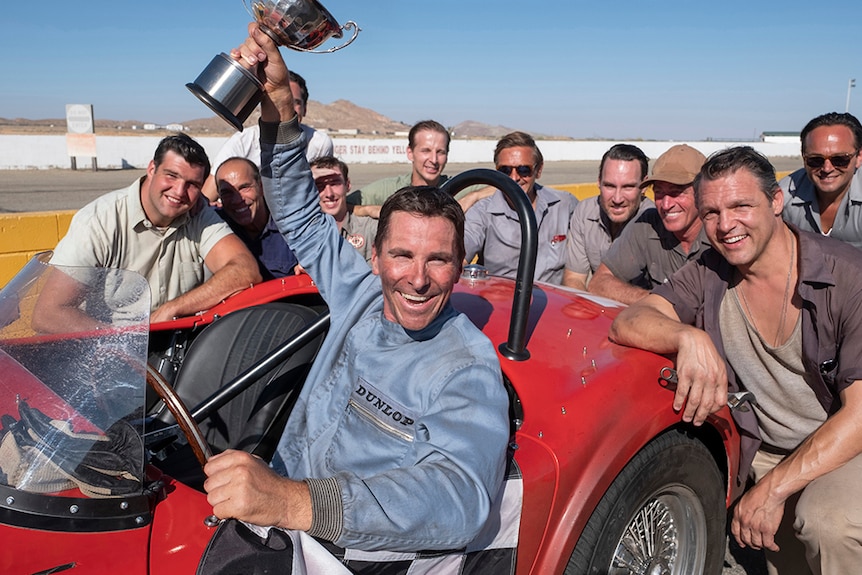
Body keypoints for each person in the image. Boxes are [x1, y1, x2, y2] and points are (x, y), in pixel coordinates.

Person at [202, 23, 510, 571]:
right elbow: (296, 208)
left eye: (437, 260)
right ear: (373, 256)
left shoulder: (466, 366)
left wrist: (294, 502)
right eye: (402, 257)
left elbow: (461, 497)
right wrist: (277, 106)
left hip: (356, 555)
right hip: (278, 516)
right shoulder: (360, 294)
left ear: (460, 268)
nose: (417, 279)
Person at [610, 146, 862, 575]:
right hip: (762, 448)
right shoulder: (711, 270)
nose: (725, 226)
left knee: (828, 523)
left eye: (740, 206)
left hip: (843, 445)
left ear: (776, 201)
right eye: (711, 213)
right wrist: (686, 336)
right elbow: (629, 321)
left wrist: (773, 491)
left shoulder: (846, 276)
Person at [46, 133, 261, 326]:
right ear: (151, 169)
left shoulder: (198, 215)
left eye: (192, 184)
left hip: (176, 352)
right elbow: (50, 312)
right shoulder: (100, 221)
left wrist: (173, 308)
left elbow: (245, 271)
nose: (179, 191)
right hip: (108, 351)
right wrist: (122, 347)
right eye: (171, 176)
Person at [588, 144, 709, 303]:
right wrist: (662, 301)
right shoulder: (647, 224)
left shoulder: (722, 231)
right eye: (659, 192)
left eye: (676, 192)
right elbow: (598, 284)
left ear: (703, 193)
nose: (666, 205)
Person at [201, 70, 335, 205]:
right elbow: (206, 198)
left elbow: (325, 193)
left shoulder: (319, 144)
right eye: (278, 101)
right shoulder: (242, 142)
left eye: (294, 102)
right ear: (263, 106)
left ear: (305, 109)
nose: (286, 108)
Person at [462, 131, 577, 284]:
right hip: (503, 303)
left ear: (539, 170)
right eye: (505, 171)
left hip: (553, 303)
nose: (514, 178)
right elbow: (459, 256)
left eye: (523, 170)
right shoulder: (482, 212)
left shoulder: (564, 204)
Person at [562, 144, 654, 291]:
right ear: (598, 182)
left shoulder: (656, 223)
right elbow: (574, 278)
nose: (617, 199)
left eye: (628, 187)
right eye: (610, 186)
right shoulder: (585, 212)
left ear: (644, 186)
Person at [780, 112, 862, 250]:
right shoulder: (781, 197)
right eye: (815, 160)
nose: (827, 168)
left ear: (859, 157)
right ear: (804, 158)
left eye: (839, 159)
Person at [215, 156, 298, 279]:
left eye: (244, 187)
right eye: (227, 193)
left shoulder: (294, 224)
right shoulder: (215, 225)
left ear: (261, 187)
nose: (237, 200)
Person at [346, 120, 451, 209]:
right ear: (410, 153)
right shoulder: (389, 190)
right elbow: (344, 205)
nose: (434, 159)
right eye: (425, 151)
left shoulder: (457, 188)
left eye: (440, 152)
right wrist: (369, 211)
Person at [310, 155, 377, 263]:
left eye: (334, 183)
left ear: (348, 184)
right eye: (319, 185)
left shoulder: (369, 228)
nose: (329, 194)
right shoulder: (303, 232)